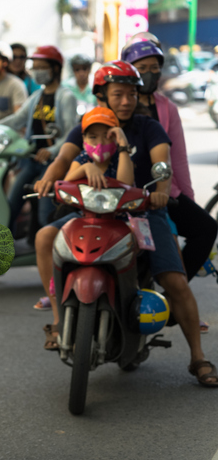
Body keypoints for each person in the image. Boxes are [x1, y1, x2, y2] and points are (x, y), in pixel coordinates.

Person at [32, 62, 217, 387]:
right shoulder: (88, 124)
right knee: (46, 236)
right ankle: (59, 321)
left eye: (132, 93)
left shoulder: (148, 128)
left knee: (174, 281)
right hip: (94, 209)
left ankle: (198, 358)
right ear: (103, 95)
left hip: (143, 212)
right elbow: (64, 159)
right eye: (119, 93)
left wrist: (160, 192)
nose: (127, 100)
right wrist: (47, 179)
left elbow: (162, 163)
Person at [121, 39, 218, 292]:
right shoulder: (115, 104)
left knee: (206, 228)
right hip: (120, 192)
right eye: (143, 67)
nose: (150, 73)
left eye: (155, 67)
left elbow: (179, 159)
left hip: (160, 193)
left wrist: (187, 198)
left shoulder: (168, 108)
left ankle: (175, 298)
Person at [0, 45, 77, 230]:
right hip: (32, 159)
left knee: (44, 212)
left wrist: (51, 151)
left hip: (53, 163)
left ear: (55, 68)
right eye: (35, 67)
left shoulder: (66, 97)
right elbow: (17, 120)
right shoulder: (37, 96)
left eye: (42, 67)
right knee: (11, 203)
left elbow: (71, 134)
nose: (37, 72)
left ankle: (45, 251)